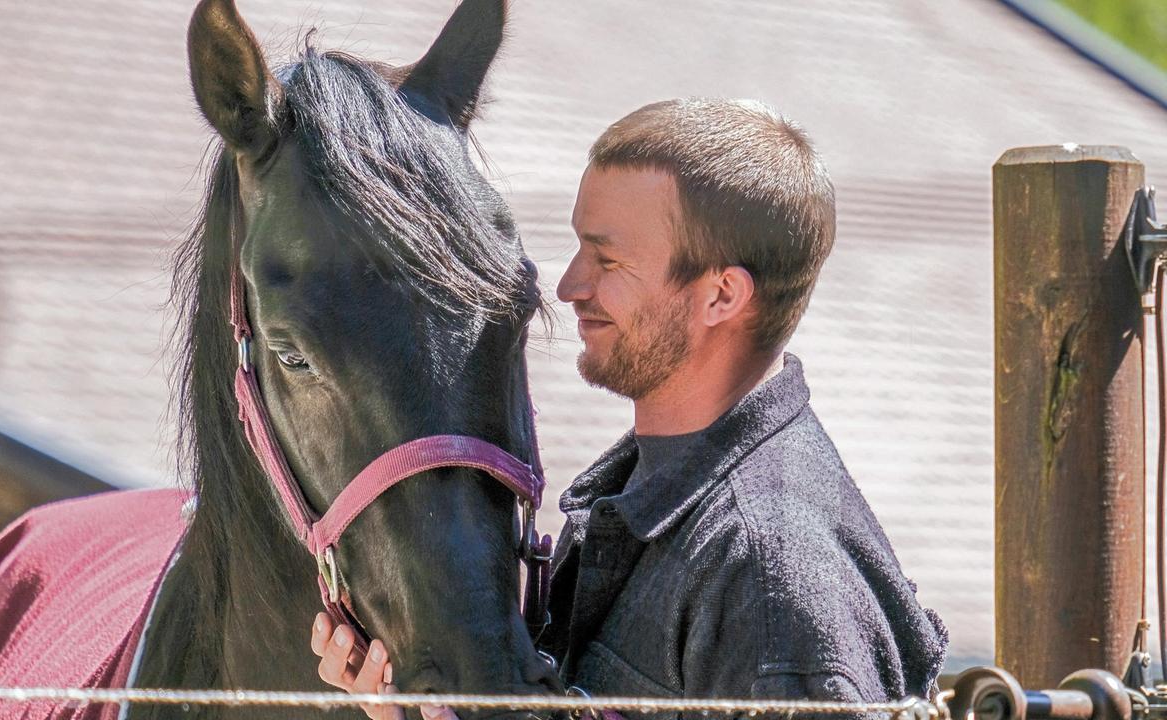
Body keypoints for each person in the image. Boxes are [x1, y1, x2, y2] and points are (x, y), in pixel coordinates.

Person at [310, 98, 948, 719]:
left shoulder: (771, 585)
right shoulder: (646, 486)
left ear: (722, 294)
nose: (567, 286)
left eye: (607, 259)